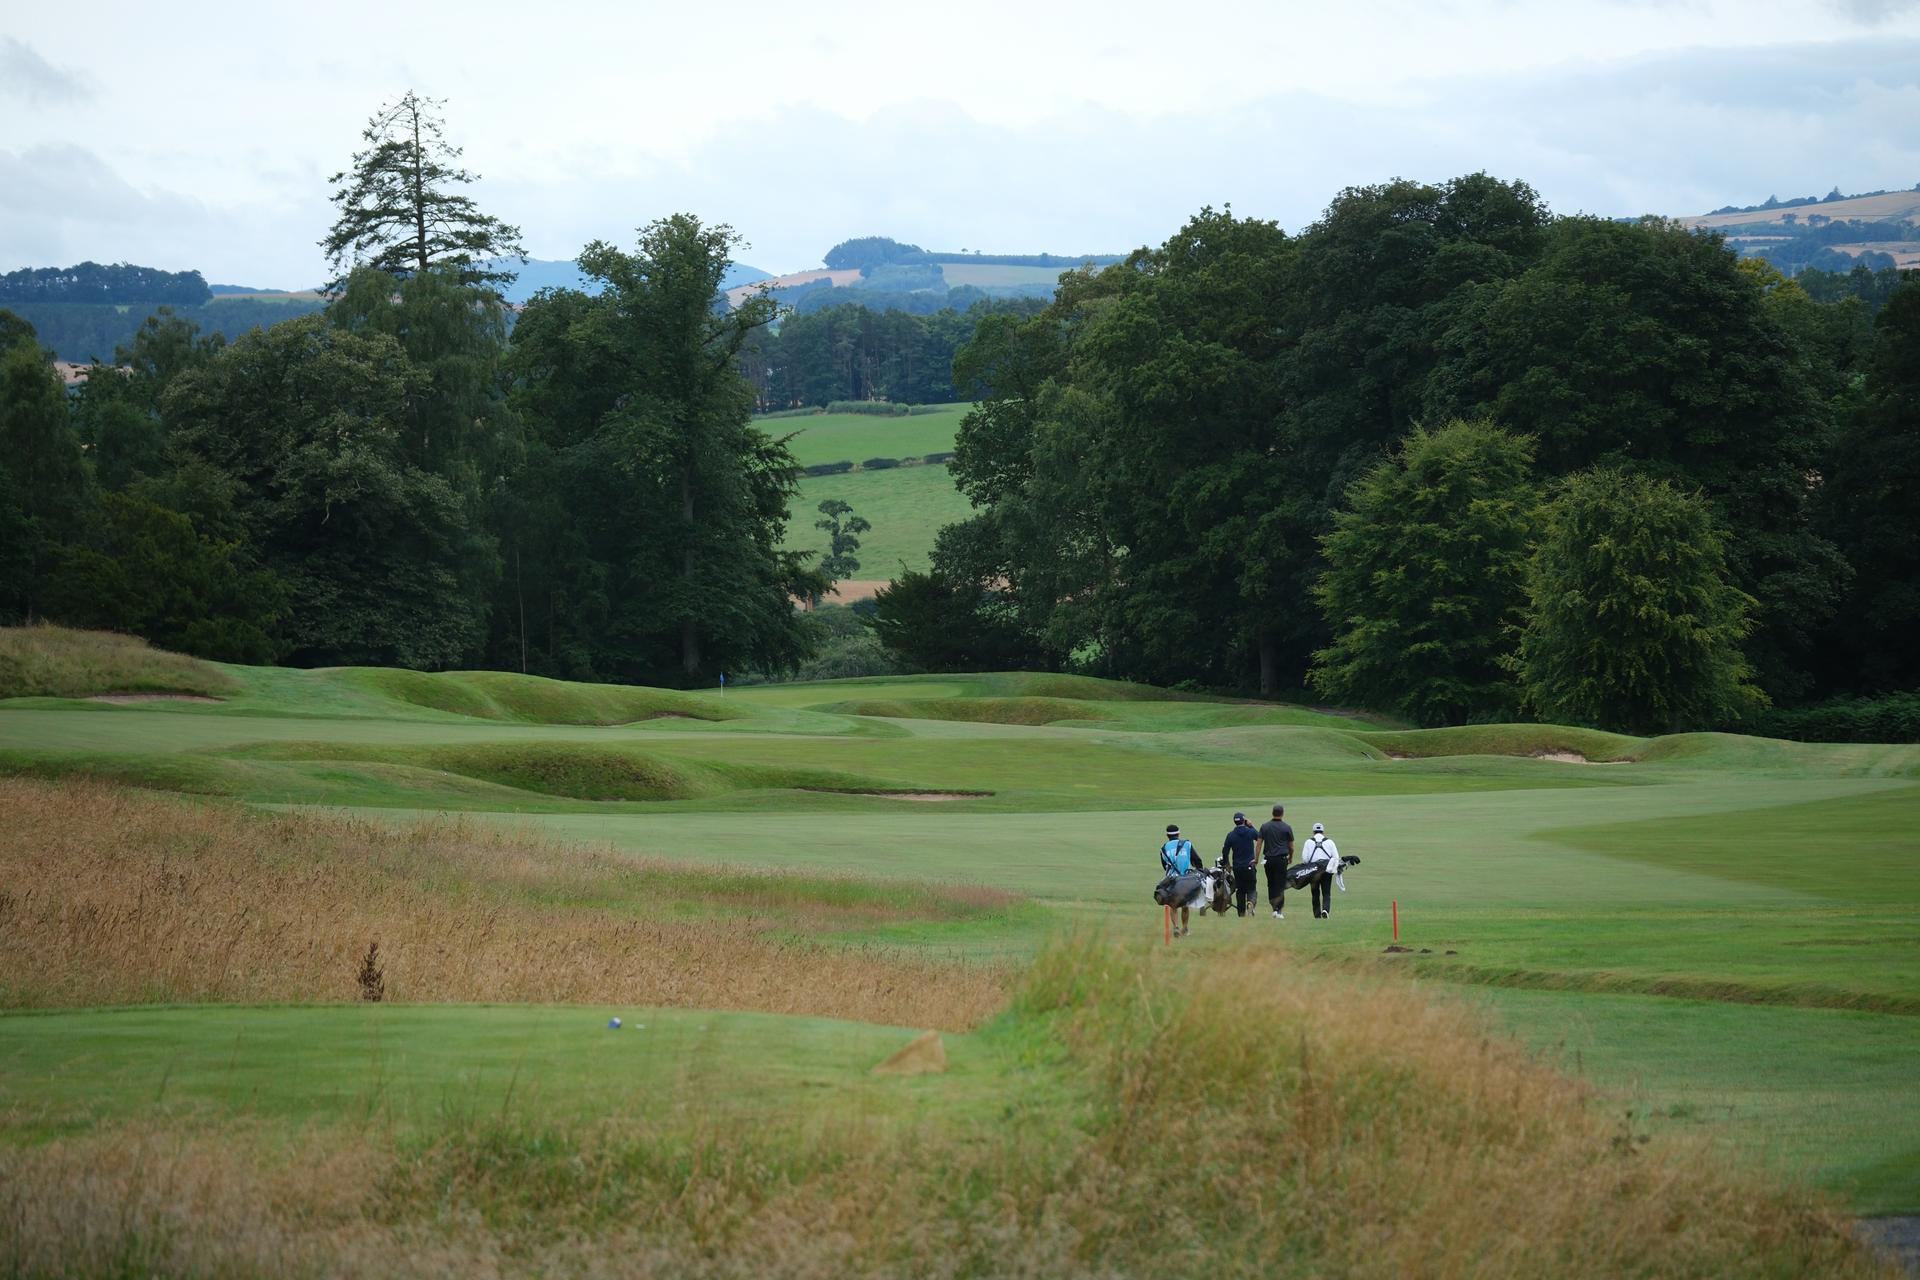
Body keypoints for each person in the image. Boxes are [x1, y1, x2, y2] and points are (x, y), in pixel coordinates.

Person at [1159, 823, 1199, 936]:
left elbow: (1164, 865)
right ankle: (1185, 929)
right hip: (1186, 879)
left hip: (1172, 879)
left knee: (1173, 905)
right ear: (1178, 833)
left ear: (1167, 835)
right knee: (1185, 905)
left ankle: (1176, 927)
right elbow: (1197, 860)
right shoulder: (1187, 844)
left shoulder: (1163, 848)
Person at [1257, 803, 1294, 919]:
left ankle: (1274, 908)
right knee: (1280, 884)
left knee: (1271, 883)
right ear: (1282, 813)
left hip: (1268, 860)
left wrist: (1256, 859)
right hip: (1281, 860)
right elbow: (1291, 846)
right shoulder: (1287, 827)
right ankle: (1279, 910)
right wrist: (1291, 857)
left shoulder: (1265, 826)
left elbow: (1258, 845)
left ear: (1272, 813)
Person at [1220, 811, 1259, 917]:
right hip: (1249, 865)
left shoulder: (1231, 835)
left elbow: (1225, 851)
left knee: (1240, 890)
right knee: (1251, 888)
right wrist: (1251, 826)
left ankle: (1241, 913)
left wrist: (1227, 864)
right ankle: (1250, 903)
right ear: (1244, 821)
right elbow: (1259, 837)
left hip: (1237, 867)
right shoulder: (1250, 832)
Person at [1301, 822, 1340, 918]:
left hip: (1313, 870)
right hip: (1327, 870)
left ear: (1313, 831)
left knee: (1315, 893)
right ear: (1323, 831)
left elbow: (1305, 859)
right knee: (1326, 892)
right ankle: (1325, 910)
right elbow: (1336, 857)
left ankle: (1317, 915)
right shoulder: (1330, 842)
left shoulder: (1308, 842)